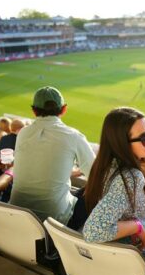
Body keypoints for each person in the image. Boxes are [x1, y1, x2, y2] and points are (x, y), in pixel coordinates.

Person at [83, 107, 145, 273]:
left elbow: (126, 196)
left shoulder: (106, 164)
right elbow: (93, 231)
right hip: (134, 252)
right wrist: (137, 227)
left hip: (121, 246)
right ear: (122, 144)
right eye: (144, 138)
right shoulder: (131, 177)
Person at [10, 86, 95, 224]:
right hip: (55, 221)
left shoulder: (23, 133)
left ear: (34, 110)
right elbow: (96, 176)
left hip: (17, 215)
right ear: (64, 109)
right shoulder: (73, 136)